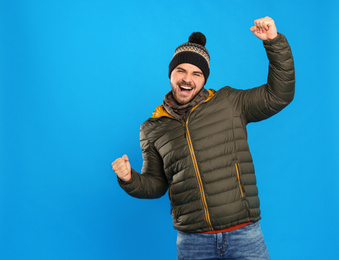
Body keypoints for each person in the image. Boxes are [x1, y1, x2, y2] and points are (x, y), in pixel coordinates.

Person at [112, 16, 295, 259]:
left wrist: (274, 42)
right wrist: (129, 179)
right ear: (171, 75)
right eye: (181, 70)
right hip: (192, 242)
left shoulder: (230, 103)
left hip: (244, 234)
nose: (188, 78)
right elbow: (156, 184)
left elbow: (278, 95)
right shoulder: (152, 128)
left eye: (196, 73)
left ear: (204, 79)